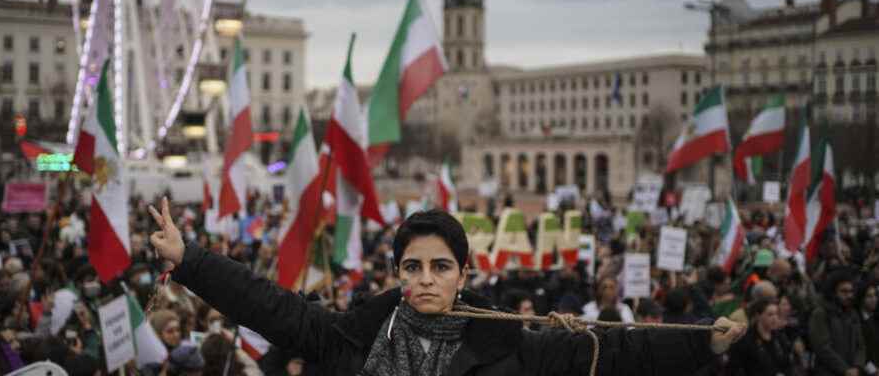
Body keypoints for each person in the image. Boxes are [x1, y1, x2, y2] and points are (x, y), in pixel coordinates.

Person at [148, 200, 745, 375]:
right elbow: (268, 305)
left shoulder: (511, 347)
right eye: (413, 267)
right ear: (398, 273)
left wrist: (703, 343)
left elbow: (615, 348)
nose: (425, 279)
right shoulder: (348, 338)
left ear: (464, 274)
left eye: (439, 267)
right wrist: (190, 259)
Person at [809, 269, 866, 376]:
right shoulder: (820, 313)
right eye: (844, 291)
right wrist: (845, 370)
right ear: (833, 292)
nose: (849, 295)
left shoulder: (853, 314)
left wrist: (857, 367)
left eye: (851, 291)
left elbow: (860, 345)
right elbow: (822, 348)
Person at [727, 298, 793, 375]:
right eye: (770, 314)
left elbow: (787, 363)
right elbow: (734, 369)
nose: (775, 318)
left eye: (777, 314)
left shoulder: (779, 337)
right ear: (758, 316)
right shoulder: (745, 340)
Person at [856, 282, 878, 372]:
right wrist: (873, 370)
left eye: (875, 295)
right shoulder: (856, 320)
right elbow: (858, 350)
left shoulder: (875, 318)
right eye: (869, 296)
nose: (874, 299)